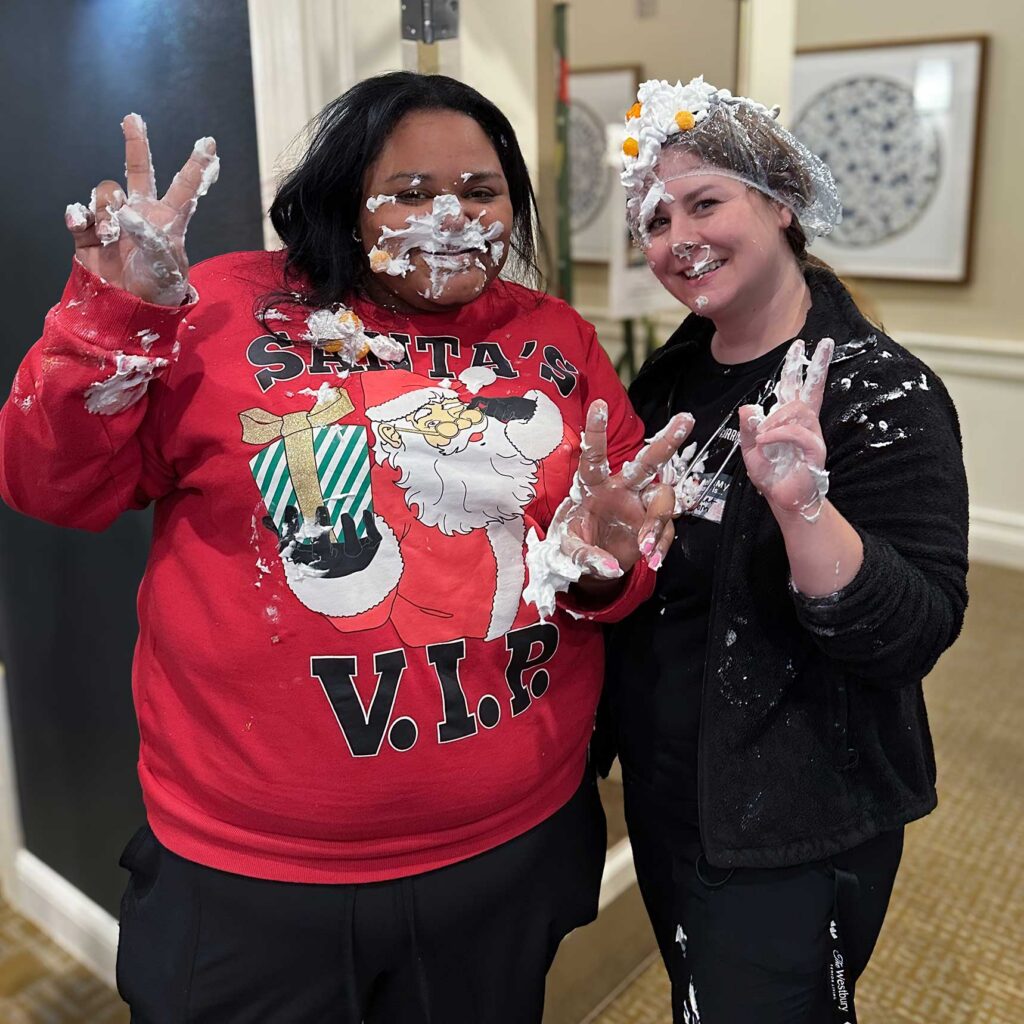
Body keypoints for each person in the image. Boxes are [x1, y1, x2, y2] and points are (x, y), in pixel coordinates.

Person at [0, 72, 691, 1023]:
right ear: (342, 199)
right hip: (255, 876)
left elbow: (608, 568)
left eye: (481, 191)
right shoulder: (218, 307)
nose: (449, 215)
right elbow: (52, 486)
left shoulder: (557, 338)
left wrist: (612, 565)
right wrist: (112, 321)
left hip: (507, 851)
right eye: (409, 190)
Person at [603, 76, 969, 1023]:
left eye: (706, 201)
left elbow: (911, 634)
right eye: (653, 218)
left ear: (781, 202)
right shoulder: (671, 378)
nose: (677, 235)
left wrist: (805, 509)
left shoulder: (881, 391)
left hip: (796, 813)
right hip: (674, 792)